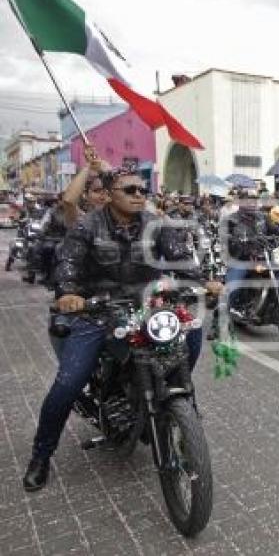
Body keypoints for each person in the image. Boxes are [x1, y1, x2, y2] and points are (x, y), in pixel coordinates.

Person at [24, 168, 222, 492]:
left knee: (191, 328)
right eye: (129, 189)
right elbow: (68, 263)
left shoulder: (155, 224)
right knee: (69, 382)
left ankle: (179, 406)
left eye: (142, 189)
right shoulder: (88, 225)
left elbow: (182, 258)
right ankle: (41, 456)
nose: (138, 194)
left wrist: (202, 282)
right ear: (109, 193)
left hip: (144, 306)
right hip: (97, 310)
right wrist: (68, 294)